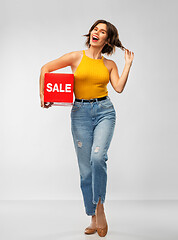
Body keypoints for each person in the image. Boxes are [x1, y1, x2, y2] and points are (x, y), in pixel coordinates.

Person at [39, 19, 134, 237]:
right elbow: (46, 68)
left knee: (98, 158)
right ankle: (92, 216)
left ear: (107, 40)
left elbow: (118, 87)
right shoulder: (76, 57)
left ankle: (100, 208)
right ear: (90, 33)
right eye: (95, 29)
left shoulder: (110, 65)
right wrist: (43, 94)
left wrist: (128, 64)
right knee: (85, 170)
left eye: (102, 32)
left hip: (104, 111)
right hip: (80, 113)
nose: (97, 33)